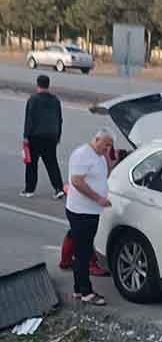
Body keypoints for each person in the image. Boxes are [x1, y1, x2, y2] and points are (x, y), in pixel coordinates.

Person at [65, 128, 114, 306]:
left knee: (83, 251)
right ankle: (86, 292)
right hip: (81, 212)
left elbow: (104, 175)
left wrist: (109, 158)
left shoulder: (100, 156)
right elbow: (77, 181)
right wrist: (98, 198)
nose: (107, 148)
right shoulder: (82, 154)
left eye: (110, 145)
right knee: (83, 253)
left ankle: (79, 289)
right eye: (105, 144)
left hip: (91, 211)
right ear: (97, 139)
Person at [59, 144, 126, 275]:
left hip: (76, 203)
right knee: (87, 236)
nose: (113, 156)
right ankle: (90, 265)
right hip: (84, 205)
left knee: (75, 233)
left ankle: (66, 261)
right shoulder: (100, 164)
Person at [21, 74, 65, 199]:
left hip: (35, 136)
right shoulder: (55, 100)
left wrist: (26, 136)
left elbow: (29, 119)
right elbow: (60, 119)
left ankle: (29, 190)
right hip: (51, 136)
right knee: (52, 163)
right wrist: (58, 136)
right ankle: (58, 188)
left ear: (37, 85)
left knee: (32, 164)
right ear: (48, 85)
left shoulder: (33, 99)